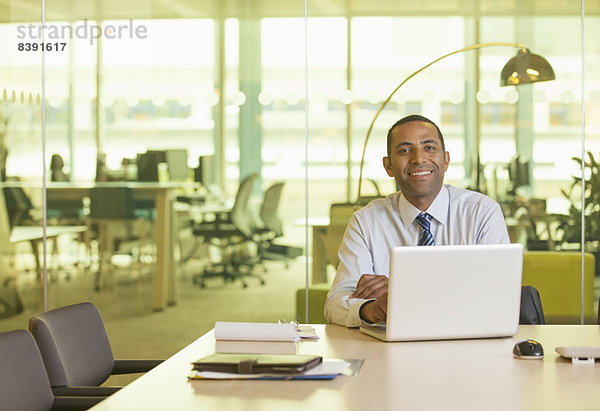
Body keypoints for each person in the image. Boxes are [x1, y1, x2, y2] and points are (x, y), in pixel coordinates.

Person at [324, 114, 510, 327]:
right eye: (405, 151)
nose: (418, 159)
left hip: (466, 340)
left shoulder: (481, 213)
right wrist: (368, 310)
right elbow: (336, 303)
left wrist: (404, 288)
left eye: (429, 148)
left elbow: (498, 295)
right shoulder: (366, 221)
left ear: (446, 160)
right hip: (390, 347)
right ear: (388, 166)